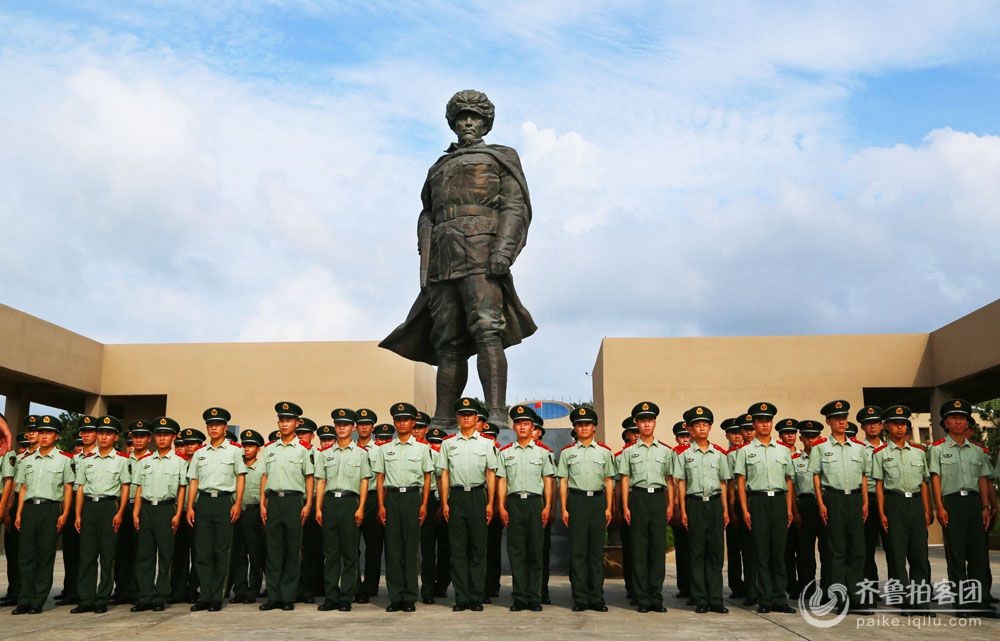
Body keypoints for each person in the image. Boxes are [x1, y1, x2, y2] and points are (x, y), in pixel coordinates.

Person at [379, 90, 536, 431]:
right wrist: (427, 254)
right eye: (462, 117)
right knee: (447, 341)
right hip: (443, 260)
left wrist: (503, 250)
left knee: (486, 331)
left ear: (485, 123)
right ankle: (443, 416)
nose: (468, 122)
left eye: (475, 117)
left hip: (482, 254)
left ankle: (495, 412)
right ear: (452, 123)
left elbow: (514, 207)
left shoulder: (501, 157)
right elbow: (428, 213)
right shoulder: (439, 166)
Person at [928, 399, 997, 617]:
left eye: (962, 418)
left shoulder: (977, 451)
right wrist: (939, 507)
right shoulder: (937, 449)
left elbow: (983, 480)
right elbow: (935, 480)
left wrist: (985, 507)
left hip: (974, 504)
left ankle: (981, 602)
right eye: (953, 418)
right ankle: (962, 603)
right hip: (952, 503)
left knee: (979, 555)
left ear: (967, 423)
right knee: (956, 555)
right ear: (946, 422)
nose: (958, 422)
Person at [371, 402, 434, 612]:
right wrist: (381, 504)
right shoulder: (385, 449)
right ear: (394, 423)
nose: (402, 423)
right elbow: (380, 479)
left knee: (410, 548)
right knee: (393, 549)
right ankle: (395, 596)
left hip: (412, 498)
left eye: (406, 419)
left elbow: (427, 478)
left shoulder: (423, 448)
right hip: (392, 499)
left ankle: (409, 596)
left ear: (413, 422)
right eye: (398, 420)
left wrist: (424, 504)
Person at [733, 402, 795, 615]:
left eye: (768, 421)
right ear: (755, 423)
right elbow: (741, 482)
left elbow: (788, 481)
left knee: (779, 552)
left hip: (778, 502)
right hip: (757, 502)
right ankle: (765, 599)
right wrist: (745, 510)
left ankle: (780, 598)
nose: (765, 425)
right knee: (761, 553)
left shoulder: (783, 451)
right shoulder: (746, 451)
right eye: (760, 421)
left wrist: (788, 509)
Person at [872, 406, 933, 616]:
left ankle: (921, 602)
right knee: (897, 556)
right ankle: (905, 601)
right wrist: (881, 512)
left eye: (903, 423)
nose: (900, 427)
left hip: (916, 503)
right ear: (887, 426)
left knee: (919, 555)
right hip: (894, 503)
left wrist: (927, 510)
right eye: (896, 423)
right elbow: (879, 485)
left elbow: (924, 484)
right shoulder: (881, 453)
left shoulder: (918, 452)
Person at [810, 400, 870, 614]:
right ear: (828, 422)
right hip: (833, 499)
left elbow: (864, 477)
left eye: (844, 418)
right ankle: (840, 598)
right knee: (837, 551)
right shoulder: (820, 448)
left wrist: (865, 502)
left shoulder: (859, 448)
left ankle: (856, 598)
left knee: (857, 550)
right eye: (837, 419)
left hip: (854, 499)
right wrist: (821, 504)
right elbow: (816, 477)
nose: (842, 422)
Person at [438, 397, 498, 611]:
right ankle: (461, 597)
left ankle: (476, 596)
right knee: (458, 550)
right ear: (457, 418)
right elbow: (444, 474)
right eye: (462, 415)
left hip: (477, 496)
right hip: (456, 497)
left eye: (470, 415)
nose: (466, 418)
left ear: (476, 418)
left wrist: (490, 502)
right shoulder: (448, 444)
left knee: (477, 549)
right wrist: (444, 502)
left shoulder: (487, 443)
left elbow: (491, 474)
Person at [12, 415, 74, 614]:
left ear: (56, 436)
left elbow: (67, 488)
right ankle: (24, 599)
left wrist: (65, 513)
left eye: (49, 432)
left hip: (50, 508)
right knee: (25, 555)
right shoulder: (27, 461)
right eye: (41, 432)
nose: (44, 436)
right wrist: (19, 513)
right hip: (29, 509)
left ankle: (38, 600)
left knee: (45, 555)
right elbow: (22, 489)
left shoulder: (63, 461)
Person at [186, 408, 247, 612]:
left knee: (221, 551)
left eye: (218, 424)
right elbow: (193, 480)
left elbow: (240, 477)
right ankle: (204, 594)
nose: (214, 428)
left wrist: (237, 503)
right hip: (203, 503)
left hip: (224, 503)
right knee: (202, 552)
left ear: (225, 427)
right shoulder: (199, 453)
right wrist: (190, 506)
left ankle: (217, 596)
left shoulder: (235, 450)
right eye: (210, 424)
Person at [496, 404, 554, 612]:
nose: (522, 427)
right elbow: (502, 481)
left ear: (532, 428)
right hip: (513, 504)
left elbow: (548, 481)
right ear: (514, 427)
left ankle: (534, 597)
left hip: (534, 503)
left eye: (526, 424)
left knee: (535, 552)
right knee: (517, 551)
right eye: (519, 423)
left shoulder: (542, 454)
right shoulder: (505, 454)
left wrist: (548, 506)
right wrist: (501, 507)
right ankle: (519, 597)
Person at [71, 416, 131, 614]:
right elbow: (80, 488)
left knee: (107, 555)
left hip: (109, 508)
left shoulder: (122, 460)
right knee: (87, 555)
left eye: (109, 433)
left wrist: (120, 512)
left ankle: (102, 598)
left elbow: (125, 488)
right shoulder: (86, 460)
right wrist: (78, 514)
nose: (104, 437)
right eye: (101, 433)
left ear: (115, 437)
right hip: (89, 507)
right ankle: (86, 598)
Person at [618, 401, 674, 613]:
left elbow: (670, 480)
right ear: (637, 424)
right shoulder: (629, 452)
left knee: (657, 550)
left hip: (658, 499)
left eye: (649, 420)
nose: (646, 424)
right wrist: (625, 505)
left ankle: (655, 596)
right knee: (639, 550)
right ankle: (642, 597)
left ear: (655, 423)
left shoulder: (666, 451)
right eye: (642, 421)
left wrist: (671, 505)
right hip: (638, 499)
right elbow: (624, 480)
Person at [558, 406, 615, 612]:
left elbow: (609, 481)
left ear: (594, 427)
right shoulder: (567, 453)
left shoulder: (604, 452)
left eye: (587, 424)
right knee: (578, 552)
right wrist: (563, 508)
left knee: (596, 551)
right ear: (575, 427)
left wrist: (609, 507)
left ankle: (597, 597)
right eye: (579, 425)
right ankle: (580, 598)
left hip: (598, 502)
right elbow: (562, 482)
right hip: (577, 501)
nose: (583, 428)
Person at [258, 402, 314, 611]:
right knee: (273, 550)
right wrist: (263, 503)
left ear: (297, 423)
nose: (284, 424)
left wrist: (308, 503)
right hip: (273, 501)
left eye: (288, 420)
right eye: (281, 420)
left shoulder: (303, 450)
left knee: (292, 550)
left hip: (293, 501)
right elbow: (264, 476)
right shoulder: (269, 450)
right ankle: (273, 596)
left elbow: (309, 478)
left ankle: (288, 597)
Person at [675, 406, 731, 614]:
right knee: (697, 553)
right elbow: (680, 483)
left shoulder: (719, 454)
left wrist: (725, 509)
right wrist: (684, 510)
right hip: (695, 504)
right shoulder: (684, 455)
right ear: (690, 429)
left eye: (705, 424)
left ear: (710, 427)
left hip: (715, 504)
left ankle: (716, 598)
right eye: (697, 425)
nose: (701, 428)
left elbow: (724, 483)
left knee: (715, 553)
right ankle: (700, 599)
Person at [315, 410, 372, 612]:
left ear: (353, 428)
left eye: (346, 424)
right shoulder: (326, 454)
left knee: (349, 553)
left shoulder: (361, 454)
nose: (341, 427)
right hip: (330, 503)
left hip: (350, 503)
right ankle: (331, 596)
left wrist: (361, 507)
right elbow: (321, 482)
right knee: (330, 553)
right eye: (338, 424)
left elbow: (364, 481)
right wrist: (318, 508)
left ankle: (346, 596)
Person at [131, 417, 187, 612]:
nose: (162, 438)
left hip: (166, 509)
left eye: (166, 434)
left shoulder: (179, 462)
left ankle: (161, 595)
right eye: (159, 434)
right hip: (146, 509)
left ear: (173, 436)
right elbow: (138, 489)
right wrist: (136, 512)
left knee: (165, 554)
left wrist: (178, 513)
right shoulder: (145, 462)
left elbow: (182, 489)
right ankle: (145, 596)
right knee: (144, 555)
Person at [113, 419, 151, 606]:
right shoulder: (122, 459)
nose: (137, 441)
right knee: (120, 552)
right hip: (122, 507)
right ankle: (121, 591)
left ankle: (138, 590)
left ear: (148, 439)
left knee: (140, 551)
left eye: (141, 436)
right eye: (134, 437)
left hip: (142, 507)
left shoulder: (151, 459)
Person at [229, 428, 265, 605]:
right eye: (244, 445)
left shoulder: (262, 468)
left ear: (258, 448)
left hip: (254, 512)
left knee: (255, 553)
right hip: (236, 512)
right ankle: (240, 590)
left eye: (251, 446)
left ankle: (253, 589)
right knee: (238, 554)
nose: (247, 449)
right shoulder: (236, 467)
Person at [790, 420, 825, 601]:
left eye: (814, 436)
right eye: (807, 437)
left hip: (825, 505)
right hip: (805, 505)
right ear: (801, 438)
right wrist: (795, 512)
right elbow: (792, 489)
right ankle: (808, 590)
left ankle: (828, 590)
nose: (811, 440)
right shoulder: (795, 460)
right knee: (805, 552)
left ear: (819, 437)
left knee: (828, 550)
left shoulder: (827, 457)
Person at [355, 409, 385, 602]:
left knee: (373, 546)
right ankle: (355, 586)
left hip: (374, 499)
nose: (364, 427)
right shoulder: (349, 448)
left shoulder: (380, 450)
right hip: (353, 499)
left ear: (373, 427)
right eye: (360, 424)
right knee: (351, 546)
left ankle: (371, 586)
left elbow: (383, 478)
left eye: (367, 424)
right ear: (355, 427)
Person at [857, 405, 888, 587]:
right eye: (868, 424)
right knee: (867, 547)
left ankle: (897, 589)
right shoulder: (858, 449)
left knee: (893, 548)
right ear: (862, 427)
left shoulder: (890, 448)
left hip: (888, 499)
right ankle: (871, 588)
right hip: (867, 500)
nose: (872, 427)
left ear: (882, 425)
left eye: (875, 423)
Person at [295, 416, 323, 603]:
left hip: (312, 503)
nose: (301, 436)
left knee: (313, 548)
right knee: (294, 548)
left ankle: (309, 588)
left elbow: (321, 480)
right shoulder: (293, 451)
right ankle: (294, 587)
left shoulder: (318, 454)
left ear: (312, 436)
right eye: (298, 433)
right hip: (294, 502)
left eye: (304, 433)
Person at [422, 426, 452, 601]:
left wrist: (444, 504)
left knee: (445, 550)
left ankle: (441, 585)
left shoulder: (447, 459)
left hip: (447, 504)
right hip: (429, 504)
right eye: (431, 442)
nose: (435, 446)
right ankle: (427, 589)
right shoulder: (424, 455)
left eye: (438, 443)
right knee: (427, 550)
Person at [615, 416, 640, 604]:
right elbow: (616, 485)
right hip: (629, 499)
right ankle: (632, 586)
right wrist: (618, 508)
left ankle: (646, 588)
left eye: (638, 432)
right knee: (631, 547)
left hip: (647, 499)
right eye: (633, 433)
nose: (636, 436)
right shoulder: (619, 456)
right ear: (627, 434)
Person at [720, 418, 744, 599]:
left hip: (750, 500)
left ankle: (754, 585)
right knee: (734, 548)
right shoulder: (725, 456)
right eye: (733, 433)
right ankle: (736, 585)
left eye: (739, 432)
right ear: (727, 435)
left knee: (752, 548)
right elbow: (726, 483)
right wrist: (729, 509)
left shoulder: (748, 452)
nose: (737, 436)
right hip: (732, 501)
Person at [532, 415, 554, 604]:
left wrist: (550, 507)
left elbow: (551, 484)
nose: (530, 432)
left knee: (541, 551)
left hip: (540, 508)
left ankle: (542, 590)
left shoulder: (546, 453)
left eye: (534, 429)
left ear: (539, 432)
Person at [670, 420, 693, 603]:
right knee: (683, 550)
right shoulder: (674, 455)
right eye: (681, 436)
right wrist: (675, 506)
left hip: (697, 505)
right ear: (677, 438)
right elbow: (673, 483)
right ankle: (684, 586)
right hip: (679, 507)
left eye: (687, 436)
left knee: (697, 549)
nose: (685, 440)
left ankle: (697, 585)